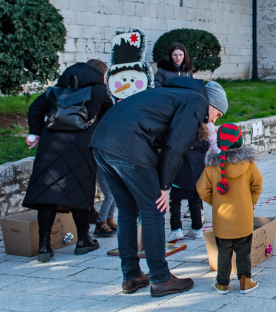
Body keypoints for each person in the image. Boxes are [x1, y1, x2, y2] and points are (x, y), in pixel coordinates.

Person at [91, 76, 227, 296]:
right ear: (211, 104)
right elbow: (177, 144)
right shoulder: (196, 101)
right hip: (128, 147)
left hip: (102, 143)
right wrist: (165, 186)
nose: (212, 122)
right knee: (154, 209)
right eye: (217, 115)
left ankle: (132, 276)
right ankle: (161, 278)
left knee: (126, 211)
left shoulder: (172, 93)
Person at [23, 59, 112, 262]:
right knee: (80, 192)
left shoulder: (56, 90)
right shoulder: (98, 91)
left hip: (50, 145)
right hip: (81, 147)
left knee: (47, 194)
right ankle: (83, 240)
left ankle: (44, 246)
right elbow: (110, 114)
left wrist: (35, 133)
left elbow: (35, 108)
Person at [197, 123, 262, 294]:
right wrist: (251, 201)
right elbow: (258, 184)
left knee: (223, 253)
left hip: (222, 220)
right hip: (244, 217)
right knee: (244, 252)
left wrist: (215, 201)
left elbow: (201, 189)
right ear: (240, 141)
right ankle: (245, 281)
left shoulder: (212, 166)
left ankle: (222, 283)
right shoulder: (248, 164)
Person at [170, 124, 209, 241]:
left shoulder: (181, 144)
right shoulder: (204, 144)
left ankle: (176, 230)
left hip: (180, 178)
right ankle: (197, 229)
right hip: (196, 178)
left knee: (175, 202)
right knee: (195, 203)